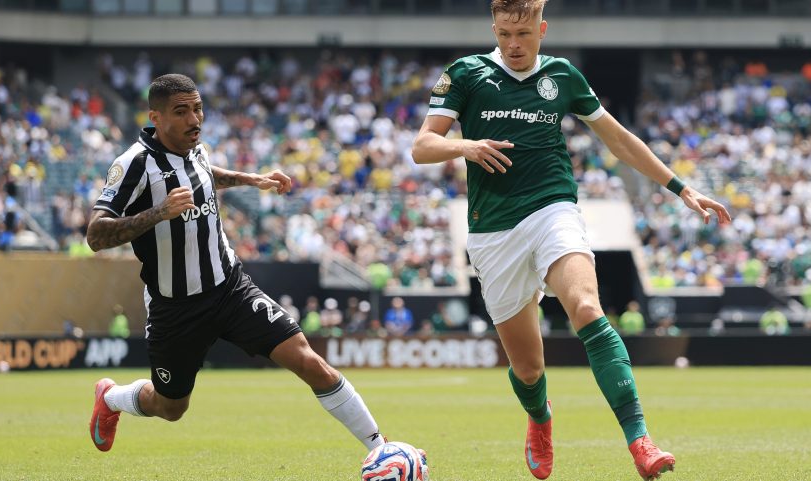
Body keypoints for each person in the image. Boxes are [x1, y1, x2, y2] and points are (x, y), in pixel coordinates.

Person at [411, 1, 732, 479]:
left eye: (522, 34)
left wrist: (682, 188)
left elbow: (619, 140)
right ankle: (540, 418)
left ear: (542, 29)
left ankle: (640, 440)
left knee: (586, 307)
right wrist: (465, 145)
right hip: (493, 230)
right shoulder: (466, 73)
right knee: (528, 370)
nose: (513, 45)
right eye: (503, 35)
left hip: (552, 208)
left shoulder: (562, 76)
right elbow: (422, 147)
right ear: (493, 30)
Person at [86, 74, 386, 455]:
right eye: (181, 112)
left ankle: (382, 449)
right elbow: (96, 235)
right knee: (171, 407)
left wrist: (252, 179)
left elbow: (204, 176)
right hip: (175, 308)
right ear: (155, 117)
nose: (194, 119)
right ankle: (112, 398)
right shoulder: (133, 164)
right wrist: (159, 213)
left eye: (197, 108)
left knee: (311, 363)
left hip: (230, 288)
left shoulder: (196, 147)